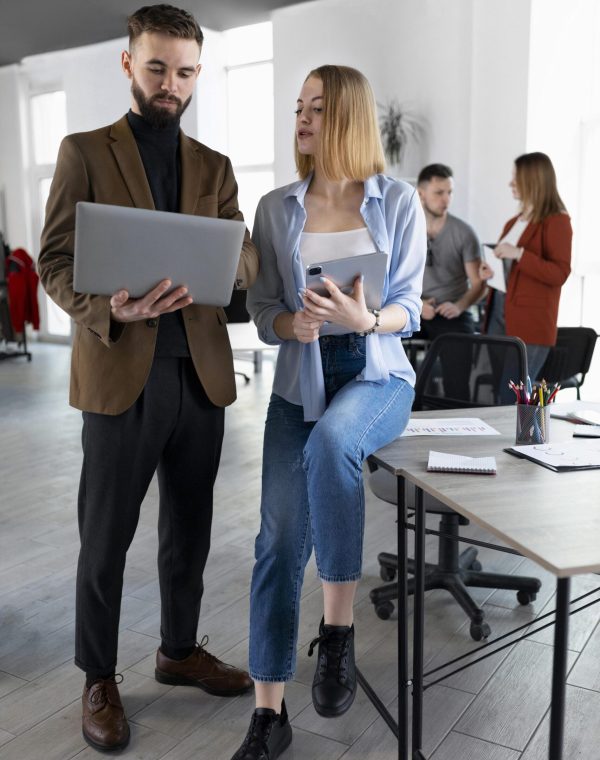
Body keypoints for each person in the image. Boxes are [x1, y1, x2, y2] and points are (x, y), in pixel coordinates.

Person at [38, 4, 258, 753]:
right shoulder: (83, 151)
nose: (172, 83)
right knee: (106, 535)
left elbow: (248, 259)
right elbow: (54, 264)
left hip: (199, 375)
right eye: (158, 66)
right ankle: (97, 674)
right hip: (119, 368)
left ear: (199, 73)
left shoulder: (215, 168)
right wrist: (111, 307)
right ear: (128, 64)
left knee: (188, 530)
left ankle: (178, 648)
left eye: (186, 70)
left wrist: (228, 260)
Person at [231, 65, 426, 760]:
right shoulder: (276, 206)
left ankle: (336, 634)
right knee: (277, 541)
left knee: (333, 443)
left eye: (317, 108)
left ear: (347, 117)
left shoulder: (397, 202)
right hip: (301, 377)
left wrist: (365, 317)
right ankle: (268, 715)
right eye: (298, 107)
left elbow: (410, 306)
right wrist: (293, 326)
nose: (303, 119)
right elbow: (260, 312)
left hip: (376, 373)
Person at [480, 152, 572, 396]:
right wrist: (491, 271)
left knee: (510, 398)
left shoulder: (557, 221)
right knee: (499, 396)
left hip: (530, 323)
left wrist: (520, 253)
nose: (511, 183)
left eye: (516, 178)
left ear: (533, 180)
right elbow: (510, 270)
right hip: (499, 316)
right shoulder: (513, 222)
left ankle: (520, 436)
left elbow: (559, 273)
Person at [414, 163, 485, 400]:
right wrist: (417, 303)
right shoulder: (406, 230)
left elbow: (478, 284)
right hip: (415, 308)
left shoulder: (464, 233)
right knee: (378, 339)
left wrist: (459, 306)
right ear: (421, 194)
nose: (446, 199)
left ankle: (458, 416)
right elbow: (390, 278)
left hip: (451, 312)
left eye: (449, 192)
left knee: (457, 382)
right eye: (439, 193)